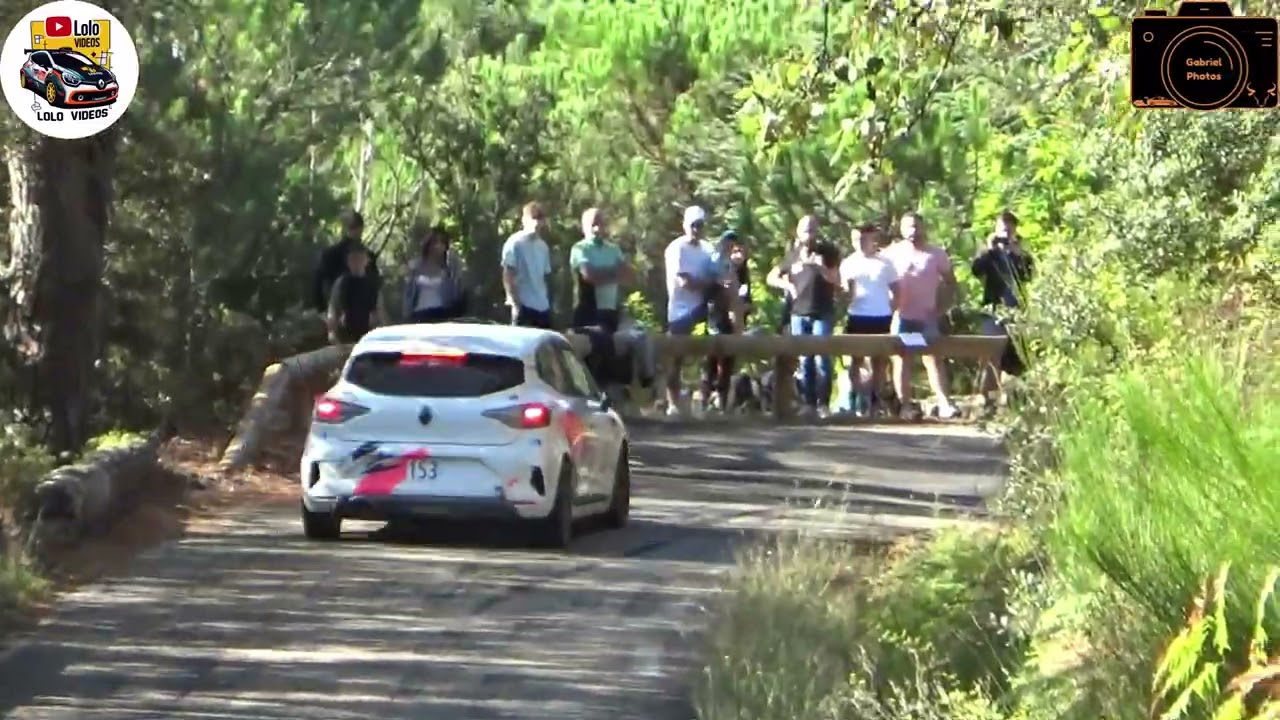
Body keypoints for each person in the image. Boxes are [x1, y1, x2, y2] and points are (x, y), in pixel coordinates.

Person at [882, 211, 960, 420]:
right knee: (902, 359)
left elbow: (951, 281)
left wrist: (942, 307)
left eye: (916, 226)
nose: (913, 231)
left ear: (923, 228)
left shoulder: (936, 254)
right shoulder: (892, 253)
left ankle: (944, 402)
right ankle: (905, 406)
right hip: (902, 316)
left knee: (933, 358)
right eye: (908, 227)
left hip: (927, 317)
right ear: (901, 229)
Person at [767, 215, 840, 418]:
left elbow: (837, 280)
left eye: (812, 229)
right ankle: (808, 403)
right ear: (798, 232)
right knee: (805, 359)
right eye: (805, 229)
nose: (809, 233)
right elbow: (771, 277)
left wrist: (821, 267)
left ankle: (823, 404)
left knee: (822, 358)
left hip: (822, 312)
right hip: (799, 313)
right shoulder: (793, 255)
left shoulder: (827, 252)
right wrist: (787, 285)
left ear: (817, 231)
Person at [971, 209, 1034, 399]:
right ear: (996, 230)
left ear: (1015, 230)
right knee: (992, 353)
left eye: (1009, 229)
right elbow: (977, 270)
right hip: (994, 309)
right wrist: (990, 249)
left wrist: (1017, 253)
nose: (1005, 234)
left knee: (1018, 354)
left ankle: (1017, 396)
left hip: (1016, 310)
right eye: (1002, 230)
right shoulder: (990, 253)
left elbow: (1028, 275)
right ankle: (987, 395)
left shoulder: (1020, 252)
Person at [839, 223, 899, 417]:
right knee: (855, 360)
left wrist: (890, 309)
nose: (861, 243)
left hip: (881, 316)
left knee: (879, 362)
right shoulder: (848, 263)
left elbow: (897, 291)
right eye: (856, 239)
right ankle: (855, 400)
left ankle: (875, 401)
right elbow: (845, 293)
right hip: (857, 315)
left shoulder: (886, 263)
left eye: (864, 238)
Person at [663, 205, 718, 417]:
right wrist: (707, 283)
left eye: (700, 225)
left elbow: (718, 275)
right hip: (680, 311)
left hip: (703, 309)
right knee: (675, 358)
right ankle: (673, 403)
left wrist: (708, 283)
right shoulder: (676, 248)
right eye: (693, 225)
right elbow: (684, 281)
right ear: (685, 224)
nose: (696, 229)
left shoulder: (708, 248)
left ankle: (704, 400)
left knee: (709, 354)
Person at [700, 231, 749, 412]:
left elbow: (738, 294)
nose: (731, 246)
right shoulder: (714, 261)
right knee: (712, 359)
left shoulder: (733, 266)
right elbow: (710, 285)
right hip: (715, 314)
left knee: (727, 360)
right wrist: (722, 284)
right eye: (729, 243)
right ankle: (705, 399)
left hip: (732, 318)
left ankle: (722, 401)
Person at [569, 207, 630, 333]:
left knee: (612, 350)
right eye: (593, 225)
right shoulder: (580, 248)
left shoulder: (613, 249)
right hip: (587, 311)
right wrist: (613, 273)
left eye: (600, 224)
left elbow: (626, 275)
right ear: (584, 227)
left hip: (611, 310)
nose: (597, 229)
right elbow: (589, 276)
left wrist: (600, 273)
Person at [313, 209, 380, 313]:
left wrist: (322, 310)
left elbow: (318, 282)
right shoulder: (367, 256)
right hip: (355, 314)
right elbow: (376, 286)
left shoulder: (329, 254)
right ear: (361, 229)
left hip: (343, 314)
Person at [501, 201, 553, 329]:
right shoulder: (515, 242)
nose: (536, 223)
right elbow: (508, 274)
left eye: (540, 219)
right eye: (533, 218)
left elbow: (544, 277)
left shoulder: (543, 247)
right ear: (524, 220)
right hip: (523, 306)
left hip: (542, 306)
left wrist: (547, 301)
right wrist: (516, 303)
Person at [403, 224, 466, 323]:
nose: (439, 246)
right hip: (419, 314)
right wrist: (407, 314)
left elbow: (455, 295)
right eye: (435, 242)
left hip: (443, 314)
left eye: (442, 242)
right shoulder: (415, 267)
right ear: (428, 244)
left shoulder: (449, 269)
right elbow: (408, 294)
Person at [326, 243, 382, 344]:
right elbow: (333, 307)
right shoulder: (342, 282)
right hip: (345, 333)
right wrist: (331, 332)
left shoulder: (372, 283)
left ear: (366, 260)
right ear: (348, 262)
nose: (356, 262)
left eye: (360, 258)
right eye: (353, 259)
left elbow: (379, 309)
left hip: (368, 332)